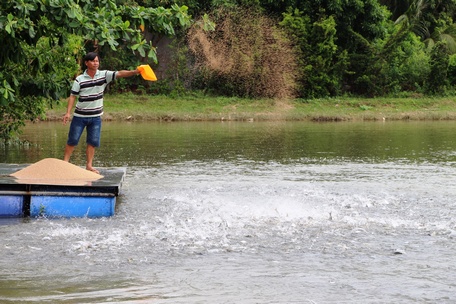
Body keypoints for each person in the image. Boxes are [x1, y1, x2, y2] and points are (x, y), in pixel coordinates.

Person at [63, 52, 140, 174]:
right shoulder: (80, 79)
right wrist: (68, 113)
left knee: (92, 142)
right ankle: (65, 163)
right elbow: (73, 96)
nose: (96, 63)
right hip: (80, 116)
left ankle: (89, 166)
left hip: (95, 117)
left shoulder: (104, 75)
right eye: (93, 61)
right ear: (87, 63)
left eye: (97, 61)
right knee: (73, 140)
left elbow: (119, 73)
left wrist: (135, 72)